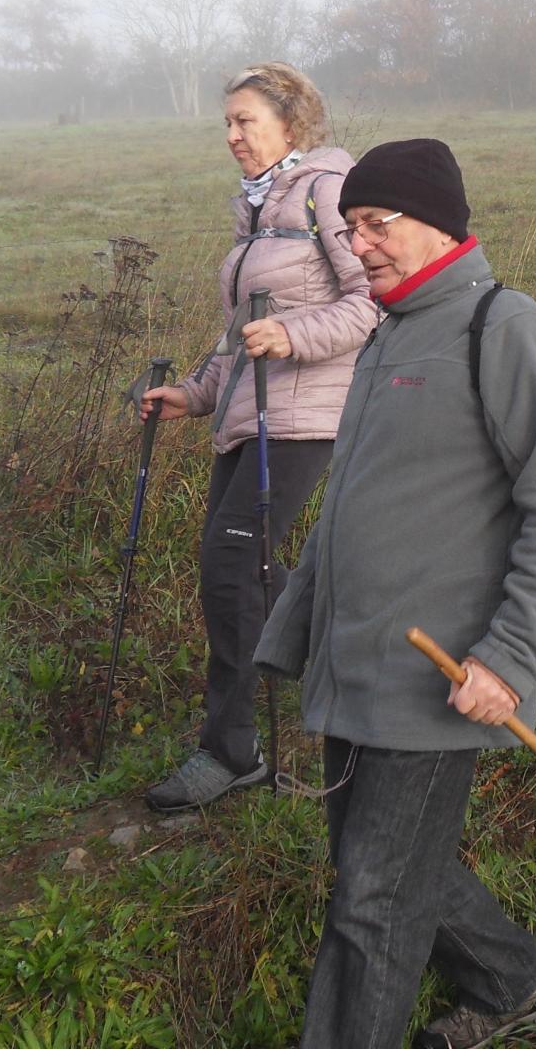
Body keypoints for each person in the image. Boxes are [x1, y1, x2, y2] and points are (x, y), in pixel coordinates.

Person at [253, 138, 536, 1049]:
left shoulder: (504, 327)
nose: (359, 243)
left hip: (441, 675)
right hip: (356, 663)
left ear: (439, 223)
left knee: (372, 899)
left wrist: (513, 655)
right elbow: (351, 510)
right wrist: (296, 629)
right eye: (351, 225)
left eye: (378, 223)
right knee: (379, 864)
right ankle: (520, 982)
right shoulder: (387, 332)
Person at [138, 63, 377, 811]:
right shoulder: (257, 207)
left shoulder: (325, 191)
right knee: (246, 571)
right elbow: (242, 332)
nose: (231, 136)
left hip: (306, 414)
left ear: (290, 124)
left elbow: (373, 299)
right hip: (253, 413)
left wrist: (292, 334)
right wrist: (196, 392)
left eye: (244, 121)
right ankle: (347, 679)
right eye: (227, 124)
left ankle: (231, 749)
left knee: (231, 565)